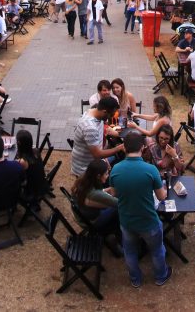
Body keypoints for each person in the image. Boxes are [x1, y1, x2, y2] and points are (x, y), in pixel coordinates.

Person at [111, 133, 171, 288]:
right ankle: (160, 276)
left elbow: (114, 193)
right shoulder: (150, 170)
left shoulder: (116, 169)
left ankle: (135, 279)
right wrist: (164, 188)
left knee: (130, 251)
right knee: (157, 250)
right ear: (143, 148)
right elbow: (161, 196)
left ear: (124, 148)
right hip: (148, 221)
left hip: (127, 221)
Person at [71, 97, 122, 177]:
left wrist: (104, 159)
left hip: (93, 162)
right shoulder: (90, 127)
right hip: (85, 169)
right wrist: (119, 148)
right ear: (104, 112)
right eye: (111, 115)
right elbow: (97, 154)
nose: (111, 117)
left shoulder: (93, 112)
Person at [72, 158, 119, 234]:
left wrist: (106, 190)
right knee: (117, 209)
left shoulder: (83, 180)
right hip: (92, 222)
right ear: (98, 176)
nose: (108, 176)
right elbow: (119, 204)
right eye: (106, 174)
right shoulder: (95, 194)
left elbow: (97, 193)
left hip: (82, 215)